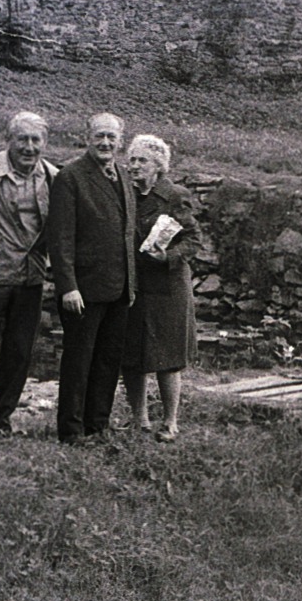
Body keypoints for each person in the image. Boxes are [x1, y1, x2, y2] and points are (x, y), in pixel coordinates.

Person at [0, 111, 58, 436]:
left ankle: (0, 422)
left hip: (31, 280)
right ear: (9, 141)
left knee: (19, 355)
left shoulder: (54, 179)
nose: (29, 147)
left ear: (45, 143)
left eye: (36, 140)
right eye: (22, 139)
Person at [49, 112, 137, 444]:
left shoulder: (123, 176)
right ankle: (71, 431)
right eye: (100, 136)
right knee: (78, 361)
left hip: (119, 287)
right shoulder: (70, 177)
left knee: (107, 361)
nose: (105, 143)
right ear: (88, 137)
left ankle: (97, 425)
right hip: (83, 289)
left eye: (112, 138)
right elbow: (60, 238)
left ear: (120, 141)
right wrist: (68, 286)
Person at [119, 134, 199, 443]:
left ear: (159, 166)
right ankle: (139, 420)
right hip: (135, 284)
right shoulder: (125, 193)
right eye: (133, 159)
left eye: (142, 161)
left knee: (167, 357)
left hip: (167, 286)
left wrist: (169, 256)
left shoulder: (175, 196)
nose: (135, 166)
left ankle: (170, 422)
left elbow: (193, 240)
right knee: (132, 353)